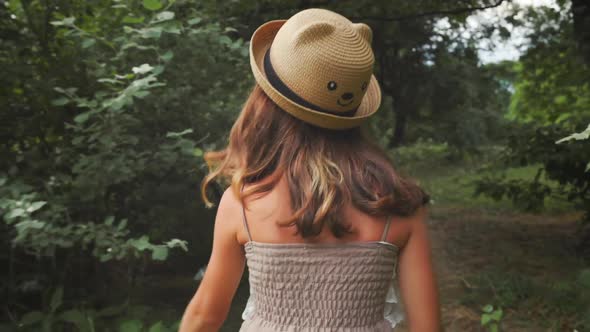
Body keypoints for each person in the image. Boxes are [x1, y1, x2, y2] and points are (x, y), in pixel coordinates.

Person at [179, 7, 441, 332]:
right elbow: (427, 327)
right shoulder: (397, 204)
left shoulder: (244, 202)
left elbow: (205, 317)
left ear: (266, 102)